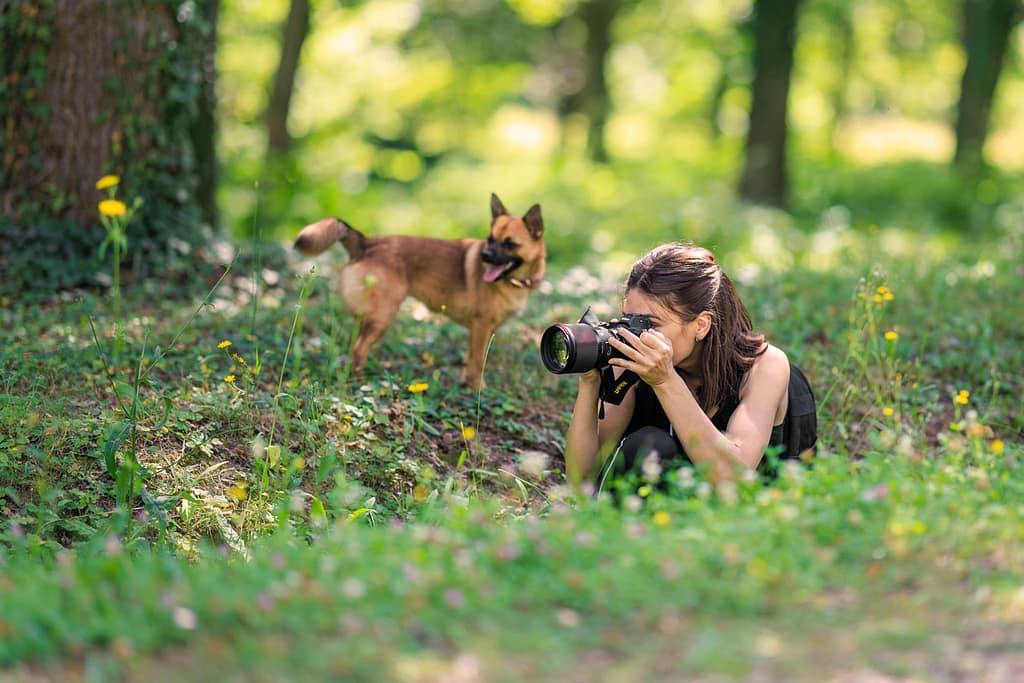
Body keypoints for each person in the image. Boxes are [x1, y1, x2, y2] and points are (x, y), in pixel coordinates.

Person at [563, 242, 817, 491]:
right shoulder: (632, 359)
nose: (636, 335)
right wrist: (590, 382)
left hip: (747, 521)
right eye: (629, 320)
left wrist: (665, 381)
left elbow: (733, 480)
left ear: (701, 325)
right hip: (655, 514)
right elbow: (582, 481)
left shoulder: (765, 366)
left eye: (650, 323)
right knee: (648, 445)